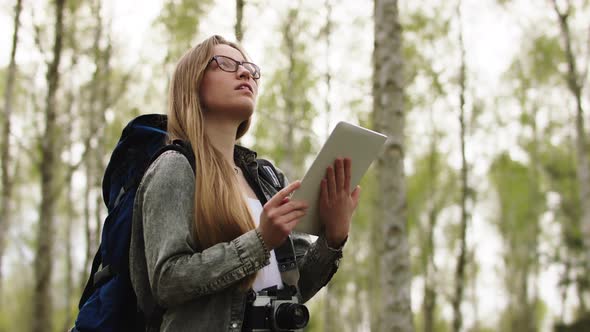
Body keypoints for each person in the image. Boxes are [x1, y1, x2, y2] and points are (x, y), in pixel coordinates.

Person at [129, 35, 361, 331]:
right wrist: (261, 241)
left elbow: (297, 288)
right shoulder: (176, 167)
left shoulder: (268, 177)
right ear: (192, 85)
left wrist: (334, 238)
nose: (245, 72)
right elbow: (167, 281)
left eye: (249, 68)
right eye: (224, 64)